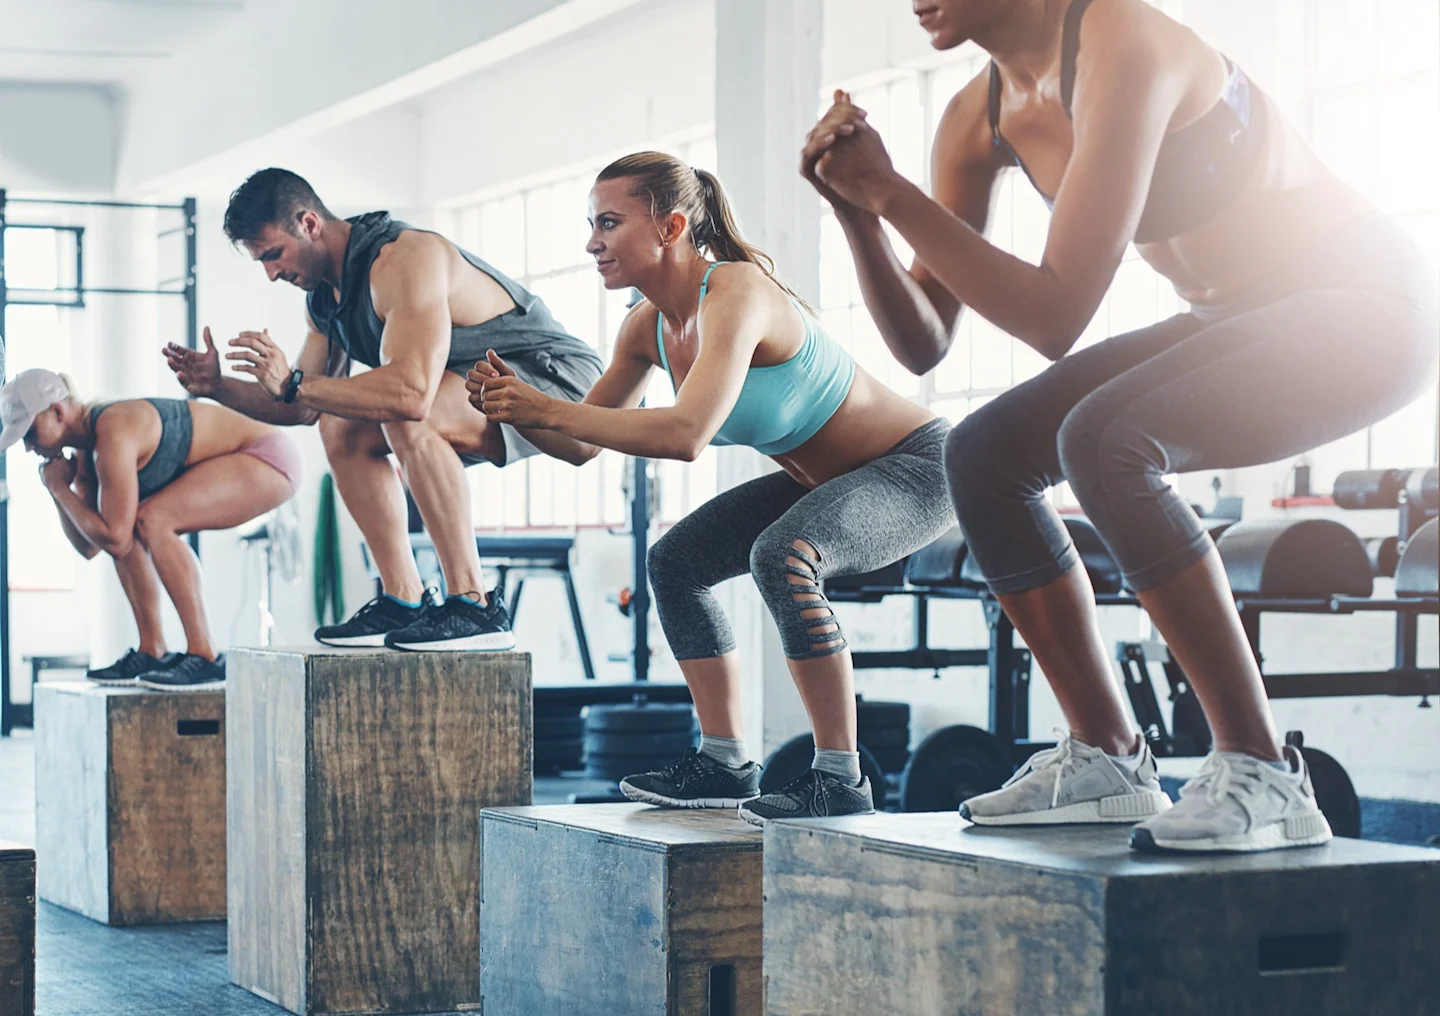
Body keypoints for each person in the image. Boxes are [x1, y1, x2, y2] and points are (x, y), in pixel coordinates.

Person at [802, 0, 1436, 852]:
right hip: (1236, 316)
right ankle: (1108, 755)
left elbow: (1057, 310)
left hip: (1369, 306)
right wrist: (858, 214)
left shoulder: (1122, 39)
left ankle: (1268, 771)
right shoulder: (973, 117)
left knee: (1106, 439)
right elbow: (924, 339)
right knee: (984, 454)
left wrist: (888, 189)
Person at [471, 152, 953, 824]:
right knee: (676, 562)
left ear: (669, 228)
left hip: (917, 466)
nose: (592, 242)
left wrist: (546, 406)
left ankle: (841, 777)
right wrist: (513, 410)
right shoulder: (647, 328)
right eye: (591, 224)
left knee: (783, 555)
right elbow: (582, 444)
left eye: (608, 223)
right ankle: (724, 761)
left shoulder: (737, 292)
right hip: (824, 479)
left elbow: (686, 434)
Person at [165, 169, 603, 651]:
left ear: (309, 223)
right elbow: (303, 406)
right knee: (341, 428)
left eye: (273, 254)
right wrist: (216, 386)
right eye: (261, 262)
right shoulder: (323, 303)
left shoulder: (403, 259)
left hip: (561, 382)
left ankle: (474, 605)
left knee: (402, 408)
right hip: (476, 389)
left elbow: (410, 394)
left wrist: (294, 382)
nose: (271, 273)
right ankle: (403, 597)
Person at [1, 368, 301, 689]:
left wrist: (62, 491)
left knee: (152, 520)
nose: (29, 448)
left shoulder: (113, 430)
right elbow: (91, 544)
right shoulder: (87, 452)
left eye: (30, 434)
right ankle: (152, 649)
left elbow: (111, 539)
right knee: (131, 526)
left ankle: (205, 655)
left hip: (266, 456)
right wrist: (59, 491)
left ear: (57, 411)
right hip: (253, 460)